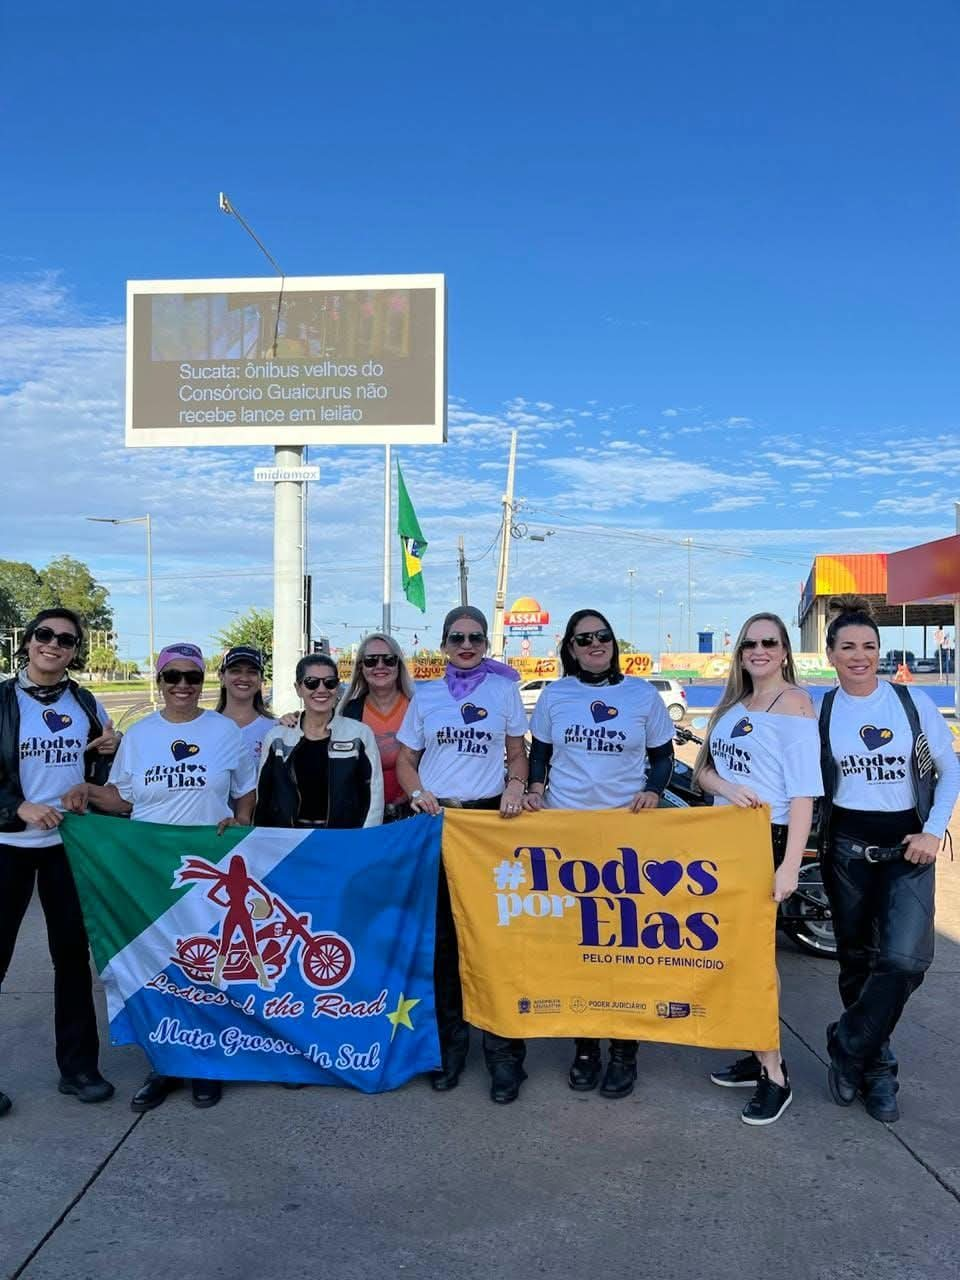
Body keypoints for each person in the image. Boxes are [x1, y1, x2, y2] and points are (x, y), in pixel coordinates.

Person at [62, 642, 257, 1111]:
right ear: (160, 682)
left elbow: (245, 795)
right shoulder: (140, 735)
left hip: (206, 867)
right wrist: (87, 790)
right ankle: (165, 1063)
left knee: (207, 965)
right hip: (149, 868)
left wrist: (240, 831)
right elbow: (124, 800)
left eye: (193, 677)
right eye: (174, 678)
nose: (184, 686)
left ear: (203, 681)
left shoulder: (224, 730)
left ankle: (206, 1062)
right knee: (159, 966)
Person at [524, 609, 675, 1102]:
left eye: (602, 636)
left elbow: (662, 756)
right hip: (568, 838)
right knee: (578, 950)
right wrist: (535, 786)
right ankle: (585, 1047)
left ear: (614, 642)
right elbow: (540, 753)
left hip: (625, 841)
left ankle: (625, 1050)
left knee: (624, 947)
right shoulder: (555, 695)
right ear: (569, 648)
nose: (594, 644)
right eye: (583, 638)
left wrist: (654, 791)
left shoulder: (641, 695)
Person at [819, 596, 960, 1123]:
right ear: (830, 654)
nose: (860, 656)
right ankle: (877, 1067)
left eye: (869, 647)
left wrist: (930, 830)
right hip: (847, 853)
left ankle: (847, 1041)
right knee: (857, 961)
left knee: (904, 961)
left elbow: (951, 770)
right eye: (848, 647)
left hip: (908, 849)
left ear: (880, 651)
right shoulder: (821, 710)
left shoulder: (910, 703)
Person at [693, 612, 822, 1125]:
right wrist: (724, 787)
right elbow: (704, 770)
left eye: (769, 642)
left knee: (755, 965)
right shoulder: (732, 705)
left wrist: (789, 865)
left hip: (766, 843)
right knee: (735, 958)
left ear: (785, 650)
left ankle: (776, 1074)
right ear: (740, 652)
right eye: (749, 644)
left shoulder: (794, 703)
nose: (759, 650)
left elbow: (804, 794)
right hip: (726, 843)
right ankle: (756, 1051)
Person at [396, 607, 528, 1103]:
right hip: (438, 826)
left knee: (495, 945)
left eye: (475, 637)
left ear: (487, 642)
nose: (466, 645)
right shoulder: (426, 696)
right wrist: (415, 793)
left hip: (490, 826)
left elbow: (517, 751)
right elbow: (407, 760)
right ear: (444, 643)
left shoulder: (503, 691)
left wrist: (516, 784)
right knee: (444, 948)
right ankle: (449, 1052)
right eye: (457, 637)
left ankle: (505, 1058)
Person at [0, 609, 119, 1115]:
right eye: (45, 635)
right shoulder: (3, 700)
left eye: (66, 640)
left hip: (69, 848)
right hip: (8, 848)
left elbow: (101, 771)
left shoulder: (86, 703)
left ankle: (78, 1067)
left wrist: (110, 753)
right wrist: (14, 808)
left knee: (72, 960)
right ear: (27, 643)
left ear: (75, 651)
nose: (54, 645)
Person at [254, 653, 383, 829]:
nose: (321, 689)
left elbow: (373, 798)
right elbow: (263, 800)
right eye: (311, 682)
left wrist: (363, 842)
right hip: (290, 845)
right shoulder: (277, 738)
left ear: (337, 687)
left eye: (329, 682)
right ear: (298, 688)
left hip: (343, 843)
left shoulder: (360, 734)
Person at [340, 633, 415, 822]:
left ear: (398, 665)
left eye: (389, 660)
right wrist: (291, 722)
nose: (380, 666)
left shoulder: (418, 707)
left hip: (412, 817)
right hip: (363, 817)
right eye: (371, 661)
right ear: (361, 668)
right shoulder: (348, 712)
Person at [215, 645, 274, 772]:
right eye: (235, 671)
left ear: (261, 680)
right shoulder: (205, 727)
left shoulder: (275, 729)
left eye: (252, 672)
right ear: (221, 677)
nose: (244, 678)